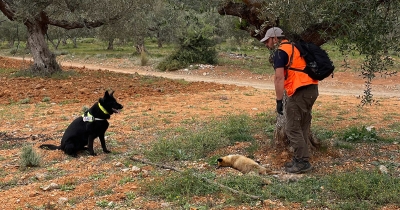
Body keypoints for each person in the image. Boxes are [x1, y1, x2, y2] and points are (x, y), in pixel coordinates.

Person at [260, 27, 319, 173]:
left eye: (268, 41)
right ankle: (300, 158)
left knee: (292, 128)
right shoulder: (295, 47)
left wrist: (279, 101)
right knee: (303, 126)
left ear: (275, 38)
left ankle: (302, 162)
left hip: (299, 91)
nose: (267, 45)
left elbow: (279, 78)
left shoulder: (281, 52)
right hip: (312, 89)